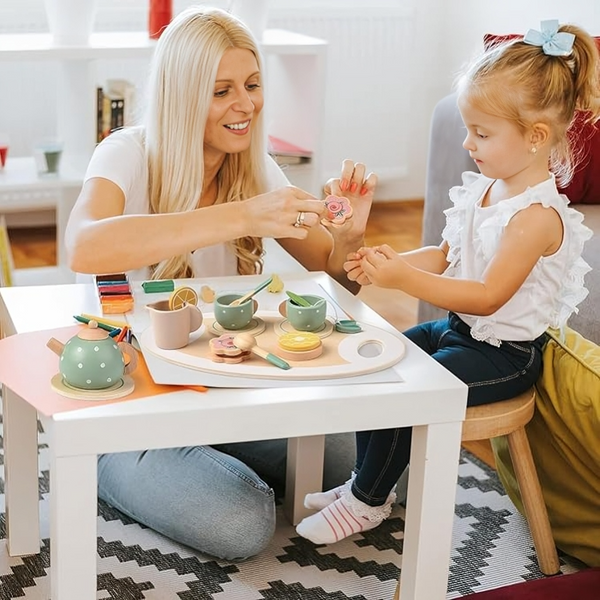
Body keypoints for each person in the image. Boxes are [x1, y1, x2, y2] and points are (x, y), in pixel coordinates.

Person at [64, 6, 377, 560]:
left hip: (224, 387)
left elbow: (331, 271)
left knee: (347, 458)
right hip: (135, 402)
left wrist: (350, 235)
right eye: (222, 91)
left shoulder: (252, 164)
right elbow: (83, 247)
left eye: (253, 85)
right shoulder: (127, 152)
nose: (247, 105)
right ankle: (107, 467)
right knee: (242, 523)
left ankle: (203, 463)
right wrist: (240, 216)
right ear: (183, 96)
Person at [295, 19, 599, 545]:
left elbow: (488, 296)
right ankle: (366, 487)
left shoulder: (536, 218)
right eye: (469, 129)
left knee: (408, 391)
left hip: (506, 355)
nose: (467, 142)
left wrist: (403, 279)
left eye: (482, 133)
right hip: (462, 333)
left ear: (535, 138)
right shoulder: (487, 189)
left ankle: (365, 505)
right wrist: (381, 258)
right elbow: (446, 254)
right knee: (377, 363)